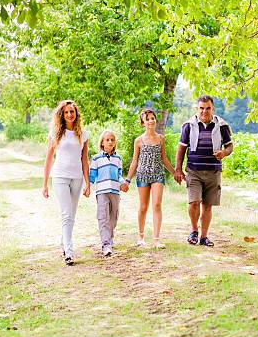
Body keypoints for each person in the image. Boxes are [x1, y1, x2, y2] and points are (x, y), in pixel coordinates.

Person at [174, 95, 233, 247]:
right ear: (197, 108)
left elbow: (229, 146)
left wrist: (223, 153)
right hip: (193, 171)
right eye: (201, 108)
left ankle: (204, 237)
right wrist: (178, 169)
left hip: (213, 172)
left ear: (213, 108)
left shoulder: (222, 126)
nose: (204, 111)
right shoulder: (189, 125)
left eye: (208, 108)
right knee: (194, 202)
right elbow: (181, 148)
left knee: (207, 205)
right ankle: (194, 231)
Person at [42, 100, 90, 266]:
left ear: (76, 114)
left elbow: (85, 160)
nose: (70, 114)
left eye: (72, 111)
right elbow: (48, 159)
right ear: (62, 114)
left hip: (77, 178)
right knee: (66, 214)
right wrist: (44, 184)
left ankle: (64, 241)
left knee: (72, 215)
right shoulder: (55, 134)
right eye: (67, 112)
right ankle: (69, 252)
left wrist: (88, 183)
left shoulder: (83, 134)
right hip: (60, 177)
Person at [125, 108, 175, 249]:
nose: (151, 121)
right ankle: (140, 237)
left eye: (153, 118)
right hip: (142, 176)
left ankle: (157, 239)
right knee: (143, 207)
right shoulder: (138, 141)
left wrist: (176, 172)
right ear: (143, 123)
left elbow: (164, 159)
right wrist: (128, 180)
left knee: (157, 205)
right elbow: (134, 162)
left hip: (158, 175)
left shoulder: (161, 139)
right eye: (147, 119)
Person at [89, 130, 129, 257]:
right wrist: (87, 186)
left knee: (113, 218)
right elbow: (92, 176)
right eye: (107, 140)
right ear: (102, 143)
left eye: (112, 139)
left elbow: (119, 174)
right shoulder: (96, 158)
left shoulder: (118, 158)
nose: (110, 141)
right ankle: (106, 244)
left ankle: (110, 238)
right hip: (102, 191)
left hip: (115, 191)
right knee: (103, 217)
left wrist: (123, 183)